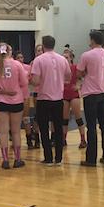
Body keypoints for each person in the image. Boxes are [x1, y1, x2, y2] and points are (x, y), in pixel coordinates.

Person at [30, 35, 71, 166]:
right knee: (58, 128)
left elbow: (35, 81)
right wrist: (59, 81)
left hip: (43, 98)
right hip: (58, 98)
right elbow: (69, 76)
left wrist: (30, 80)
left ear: (43, 45)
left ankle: (48, 157)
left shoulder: (39, 60)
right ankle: (58, 158)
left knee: (44, 128)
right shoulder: (62, 59)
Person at [77, 31, 104, 167]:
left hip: (91, 94)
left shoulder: (87, 55)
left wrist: (86, 73)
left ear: (92, 40)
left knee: (91, 126)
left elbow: (79, 73)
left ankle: (91, 159)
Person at [62, 47, 86, 149]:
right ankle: (63, 139)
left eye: (66, 57)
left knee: (78, 118)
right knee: (64, 119)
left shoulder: (75, 67)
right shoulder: (61, 69)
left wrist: (79, 85)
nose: (65, 59)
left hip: (73, 94)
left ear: (71, 58)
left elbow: (83, 77)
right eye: (63, 57)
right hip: (64, 94)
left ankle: (83, 139)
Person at [15, 51, 33, 149]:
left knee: (26, 118)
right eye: (18, 57)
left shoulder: (28, 68)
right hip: (16, 96)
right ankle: (15, 140)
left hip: (25, 95)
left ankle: (29, 139)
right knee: (16, 120)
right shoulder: (14, 68)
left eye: (21, 57)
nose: (20, 59)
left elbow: (31, 80)